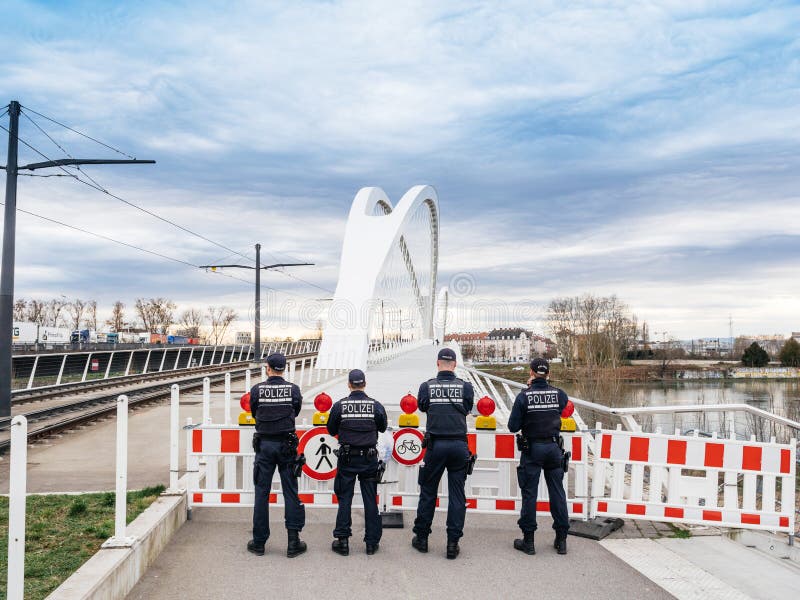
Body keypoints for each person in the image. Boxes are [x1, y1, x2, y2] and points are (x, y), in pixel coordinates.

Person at [412, 347, 475, 559]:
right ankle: (452, 543)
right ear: (455, 364)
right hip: (458, 446)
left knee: (428, 492)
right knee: (457, 495)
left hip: (435, 446)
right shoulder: (465, 387)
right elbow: (467, 408)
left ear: (438, 363)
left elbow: (422, 407)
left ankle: (422, 538)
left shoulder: (426, 387)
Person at [247, 352, 307, 558]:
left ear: (268, 368)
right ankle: (293, 542)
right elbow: (296, 410)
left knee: (261, 493)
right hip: (286, 446)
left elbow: (254, 412)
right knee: (290, 492)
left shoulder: (257, 390)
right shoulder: (293, 390)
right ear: (284, 369)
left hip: (264, 446)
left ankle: (259, 542)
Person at [507, 357, 570, 555]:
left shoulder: (524, 397)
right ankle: (561, 540)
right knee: (557, 493)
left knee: (529, 494)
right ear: (548, 374)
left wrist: (529, 390)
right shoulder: (559, 394)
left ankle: (529, 541)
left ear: (531, 373)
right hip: (553, 449)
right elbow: (561, 406)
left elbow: (513, 427)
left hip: (532, 450)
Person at [326, 369, 388, 556]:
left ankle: (343, 541)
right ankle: (371, 543)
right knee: (370, 499)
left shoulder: (340, 406)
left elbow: (331, 429)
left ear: (349, 384)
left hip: (347, 458)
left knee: (345, 498)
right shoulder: (375, 406)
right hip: (368, 458)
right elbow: (383, 427)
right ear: (365, 384)